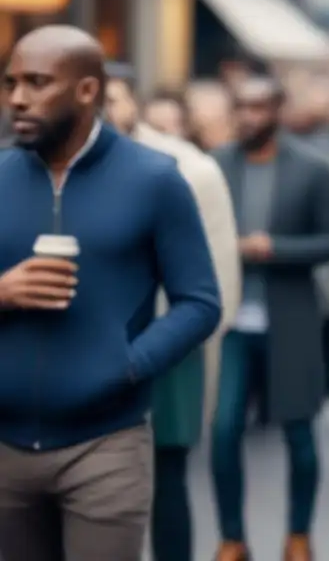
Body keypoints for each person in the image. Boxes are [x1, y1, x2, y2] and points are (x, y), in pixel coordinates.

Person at [0, 26, 221, 561]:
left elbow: (200, 302)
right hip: (4, 451)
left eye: (37, 83)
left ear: (86, 91)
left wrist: (128, 362)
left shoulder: (155, 179)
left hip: (106, 446)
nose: (17, 99)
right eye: (11, 83)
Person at [104, 64, 242, 561]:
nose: (103, 108)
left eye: (113, 96)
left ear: (132, 101)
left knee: (166, 476)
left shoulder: (189, 169)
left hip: (171, 349)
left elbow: (220, 280)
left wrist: (175, 342)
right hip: (90, 349)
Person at [209, 75, 329, 561]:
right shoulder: (217, 166)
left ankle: (298, 533)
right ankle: (231, 537)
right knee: (224, 430)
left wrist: (276, 249)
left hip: (291, 319)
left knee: (299, 432)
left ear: (277, 111)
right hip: (230, 323)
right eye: (241, 108)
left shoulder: (313, 169)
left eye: (259, 108)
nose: (249, 116)